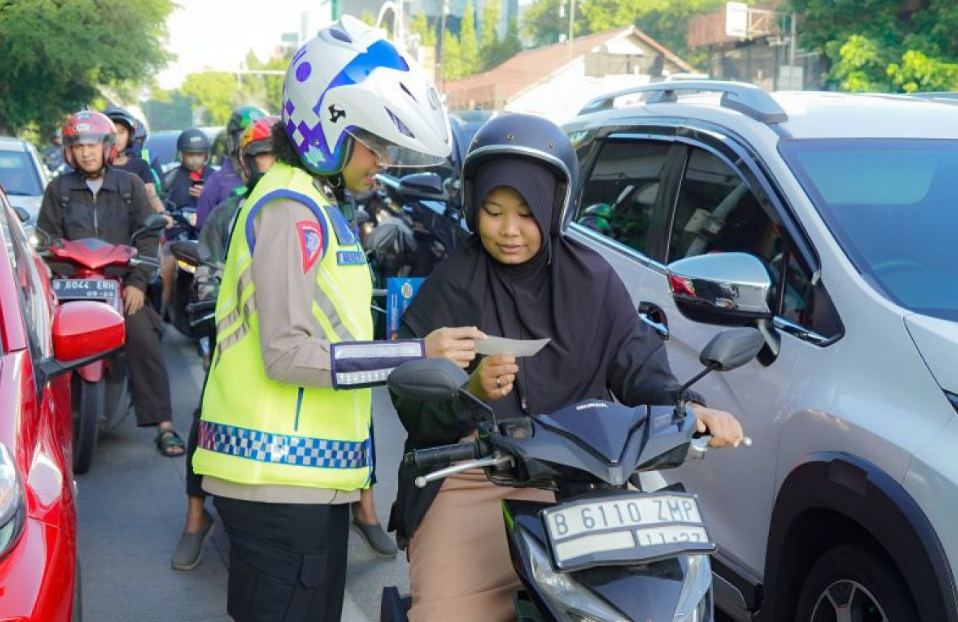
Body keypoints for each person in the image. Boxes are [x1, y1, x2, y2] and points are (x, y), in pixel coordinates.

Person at [390, 113, 746, 622]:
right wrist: (470, 387)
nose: (509, 231)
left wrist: (686, 406)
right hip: (476, 476)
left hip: (588, 475)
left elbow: (637, 359)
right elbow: (411, 402)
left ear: (555, 207)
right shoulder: (451, 285)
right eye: (493, 212)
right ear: (472, 207)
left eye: (527, 213)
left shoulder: (593, 278)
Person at [191, 16, 481, 622]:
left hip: (306, 479)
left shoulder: (318, 208)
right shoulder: (288, 210)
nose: (385, 159)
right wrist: (414, 354)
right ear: (331, 127)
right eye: (377, 143)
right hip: (274, 480)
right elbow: (288, 354)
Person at [36, 111, 183, 457]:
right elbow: (45, 239)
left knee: (144, 335)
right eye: (78, 146)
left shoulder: (130, 185)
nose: (86, 153)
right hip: (70, 287)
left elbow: (148, 236)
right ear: (69, 151)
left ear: (108, 148)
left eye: (93, 145)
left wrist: (136, 282)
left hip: (119, 284)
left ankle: (164, 425)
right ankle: (42, 426)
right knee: (44, 344)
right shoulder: (58, 189)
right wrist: (56, 274)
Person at [171, 115, 279, 571]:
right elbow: (206, 281)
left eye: (278, 154)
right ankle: (196, 518)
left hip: (300, 349)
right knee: (207, 414)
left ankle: (362, 505)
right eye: (263, 155)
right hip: (238, 343)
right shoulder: (226, 213)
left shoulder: (315, 210)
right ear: (245, 160)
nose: (271, 164)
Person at [195, 104, 267, 230]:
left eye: (260, 139)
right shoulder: (217, 182)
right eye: (244, 136)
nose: (251, 144)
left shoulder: (274, 177)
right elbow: (204, 229)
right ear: (232, 140)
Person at [103, 106, 165, 215]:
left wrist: (163, 214)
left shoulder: (141, 166)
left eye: (121, 132)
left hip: (135, 228)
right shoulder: (94, 167)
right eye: (112, 133)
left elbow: (151, 194)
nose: (117, 138)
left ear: (130, 135)